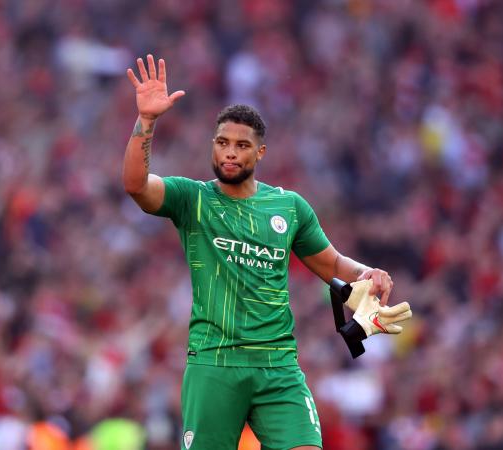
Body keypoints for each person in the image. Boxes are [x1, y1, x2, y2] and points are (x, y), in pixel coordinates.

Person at [123, 54, 399, 450]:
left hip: (278, 366)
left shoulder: (289, 207)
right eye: (222, 144)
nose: (230, 153)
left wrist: (368, 272)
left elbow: (334, 265)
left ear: (260, 153)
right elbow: (136, 185)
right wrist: (146, 122)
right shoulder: (192, 198)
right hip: (215, 363)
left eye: (241, 145)